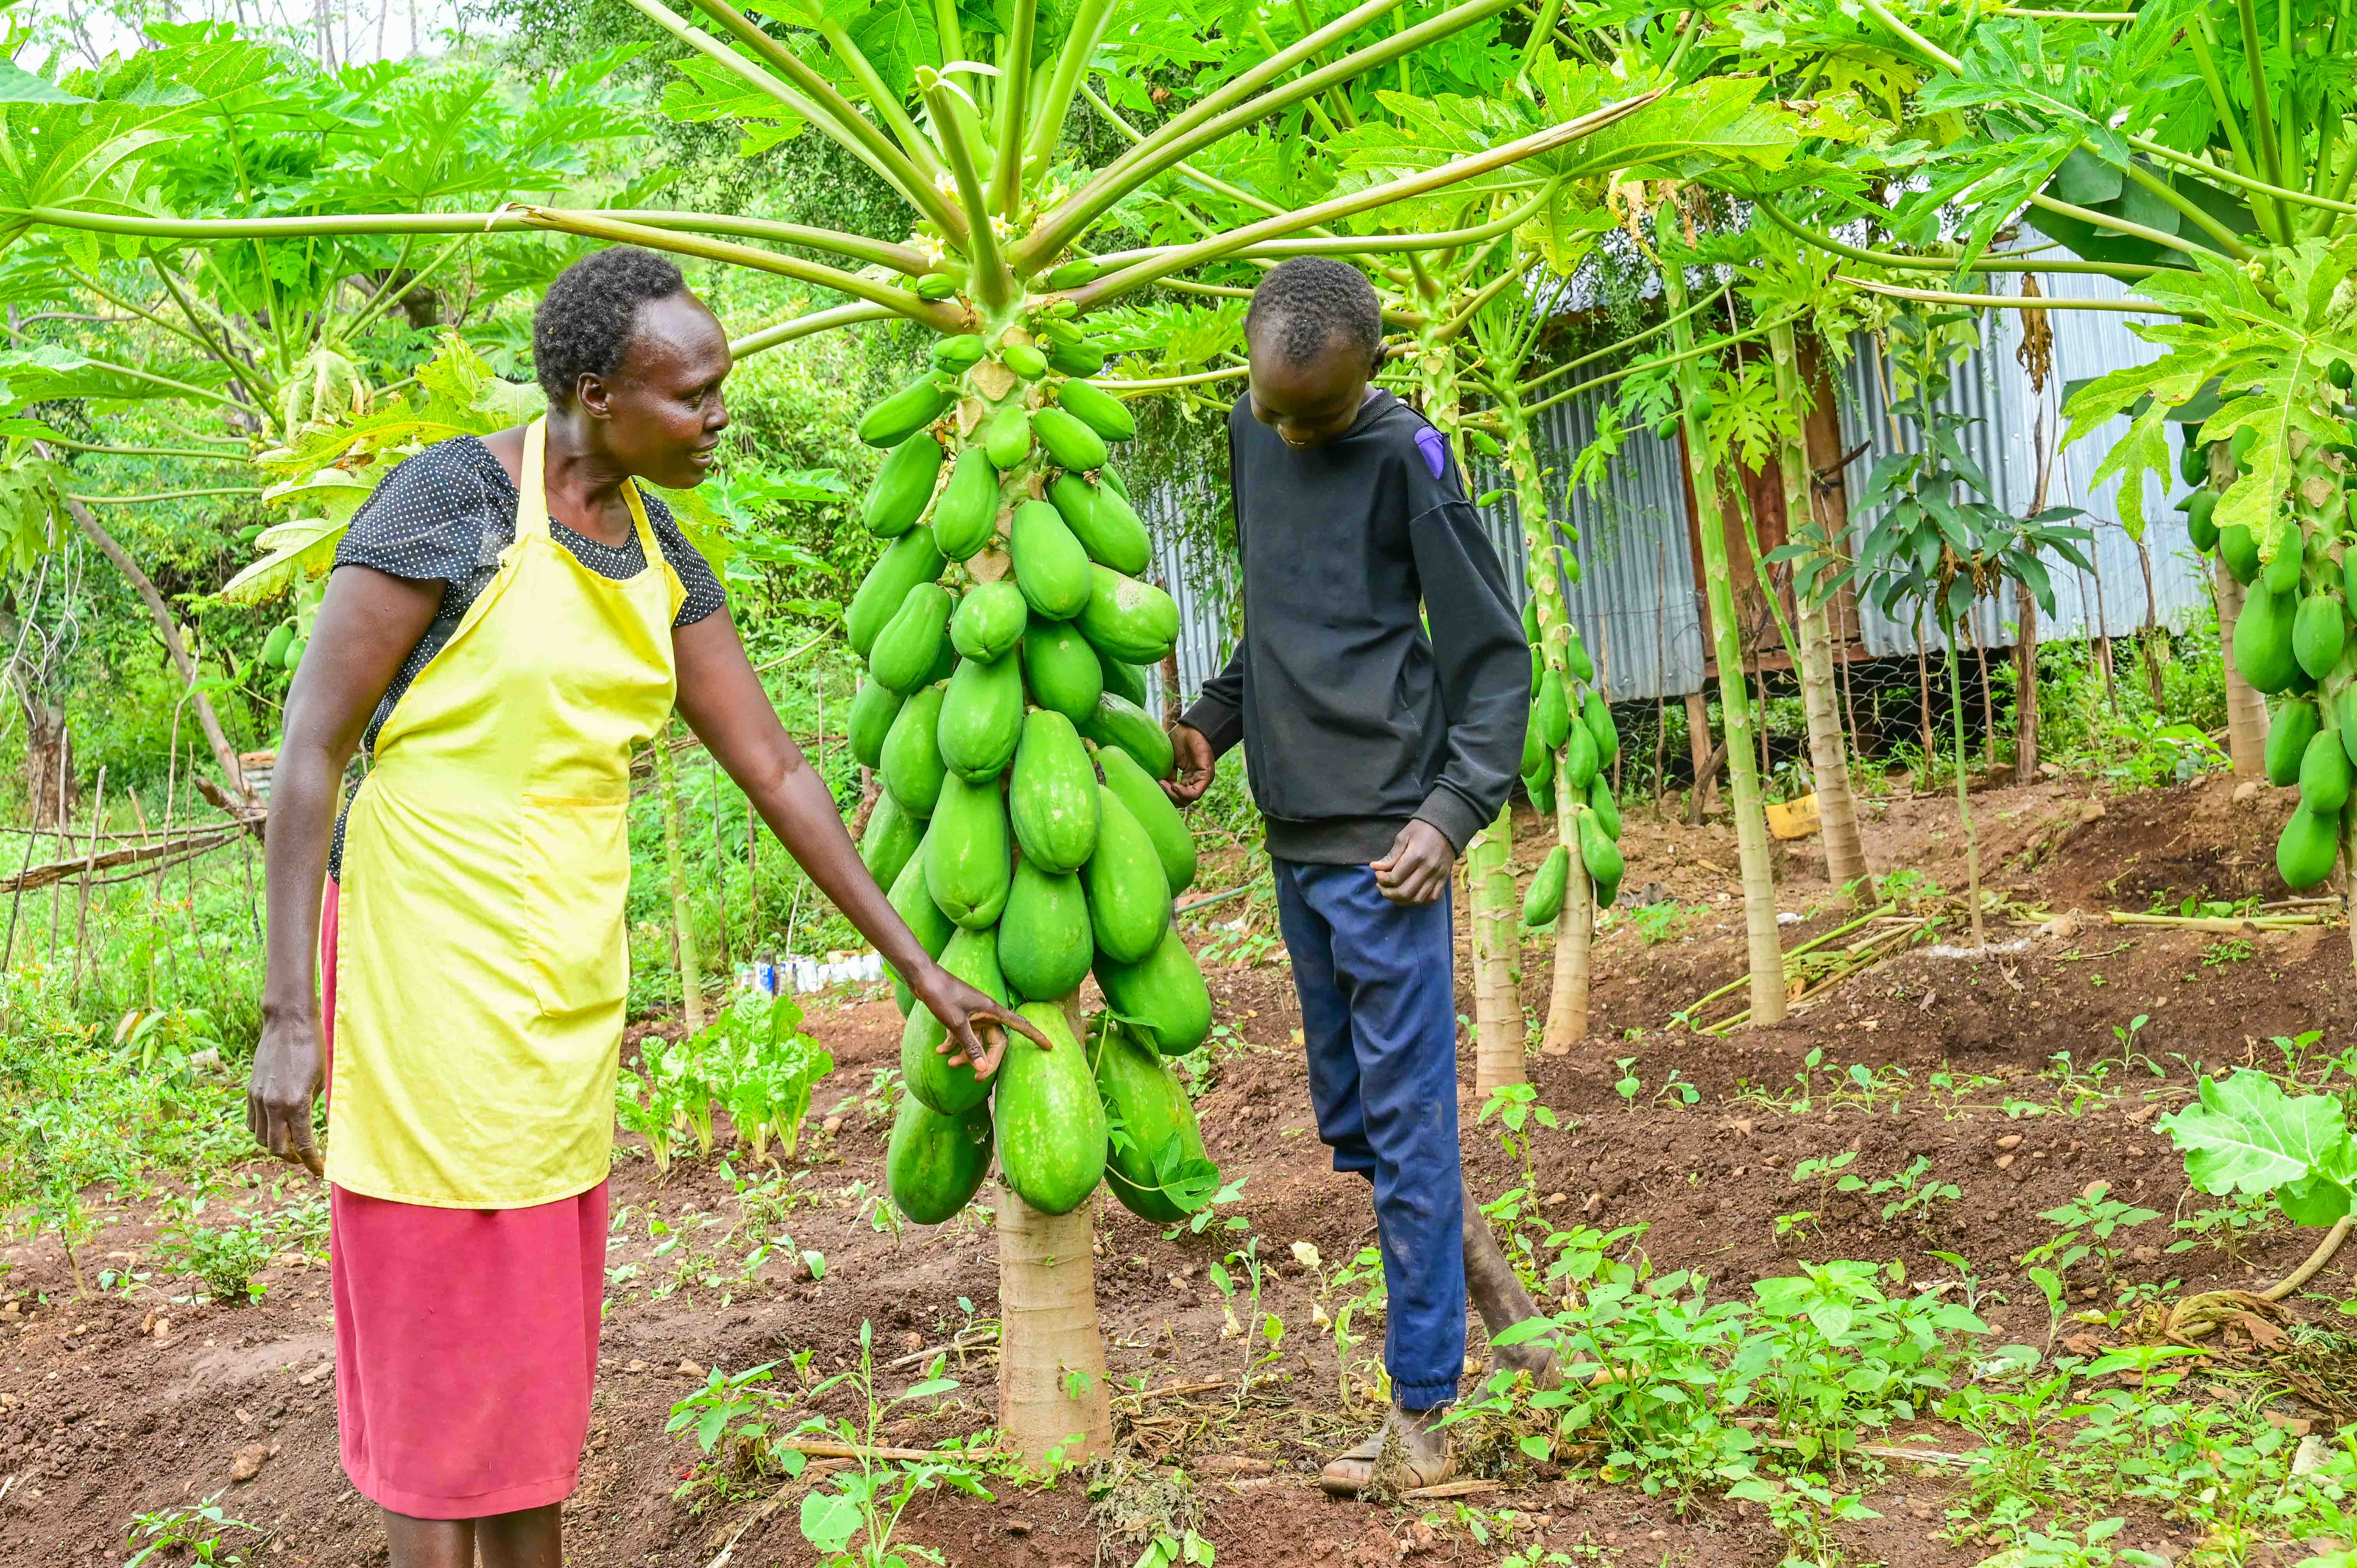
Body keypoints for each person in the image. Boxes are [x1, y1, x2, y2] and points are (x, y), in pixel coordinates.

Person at [248, 246, 1034, 1568]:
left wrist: (918, 967)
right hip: (421, 963)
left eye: (720, 388)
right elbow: (313, 748)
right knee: (438, 1330)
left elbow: (777, 769)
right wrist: (287, 1014)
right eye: (694, 395)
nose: (720, 416)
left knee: (533, 1343)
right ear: (596, 394)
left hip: (560, 975)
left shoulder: (663, 554)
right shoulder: (451, 502)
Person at [1163, 256, 1553, 1495]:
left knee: (1408, 1130)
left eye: (1315, 416)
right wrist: (1217, 720)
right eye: (1272, 410)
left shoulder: (1409, 458)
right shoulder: (1255, 428)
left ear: (1371, 372)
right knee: (1363, 1129)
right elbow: (1283, 618)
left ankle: (1423, 1416)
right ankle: (1508, 1310)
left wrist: (1454, 811)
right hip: (1293, 838)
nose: (1290, 434)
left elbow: (1494, 658)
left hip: (1392, 854)